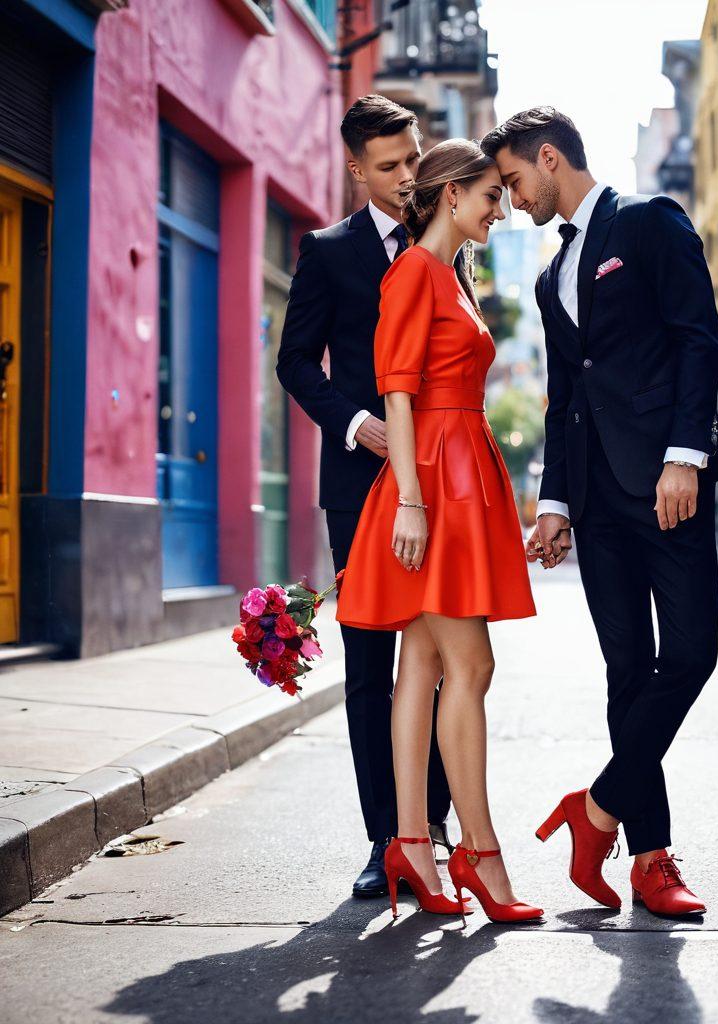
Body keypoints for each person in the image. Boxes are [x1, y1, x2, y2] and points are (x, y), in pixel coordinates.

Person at [482, 107, 718, 918]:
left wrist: (684, 457)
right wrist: (554, 502)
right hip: (595, 501)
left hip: (667, 486)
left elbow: (700, 339)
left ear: (550, 158)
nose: (515, 201)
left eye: (517, 182)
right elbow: (566, 399)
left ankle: (594, 812)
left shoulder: (651, 222)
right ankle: (650, 859)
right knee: (626, 674)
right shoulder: (549, 276)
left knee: (691, 656)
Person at [335, 138, 542, 924]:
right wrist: (414, 503)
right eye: (491, 194)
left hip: (460, 473)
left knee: (422, 665)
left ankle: (413, 845)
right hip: (433, 483)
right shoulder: (415, 273)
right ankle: (480, 854)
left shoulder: (454, 276)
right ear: (451, 194)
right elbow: (396, 391)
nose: (501, 207)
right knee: (472, 665)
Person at [276, 95, 453, 900]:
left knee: (448, 658)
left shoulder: (447, 241)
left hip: (442, 490)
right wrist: (355, 424)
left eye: (413, 158)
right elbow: (295, 362)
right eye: (390, 166)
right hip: (358, 487)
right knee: (371, 668)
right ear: (356, 168)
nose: (409, 176)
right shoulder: (327, 250)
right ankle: (385, 838)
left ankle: (435, 828)